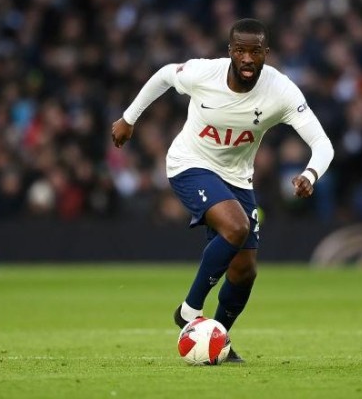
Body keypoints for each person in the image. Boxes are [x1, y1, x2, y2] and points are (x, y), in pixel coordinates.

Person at [111, 18, 334, 363]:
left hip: (237, 178)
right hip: (189, 164)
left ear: (266, 54)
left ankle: (218, 338)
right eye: (240, 50)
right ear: (230, 51)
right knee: (236, 226)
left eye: (255, 51)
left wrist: (311, 173)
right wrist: (129, 118)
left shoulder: (282, 91)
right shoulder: (204, 74)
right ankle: (189, 311)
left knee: (245, 271)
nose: (247, 58)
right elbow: (166, 75)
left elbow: (322, 143)